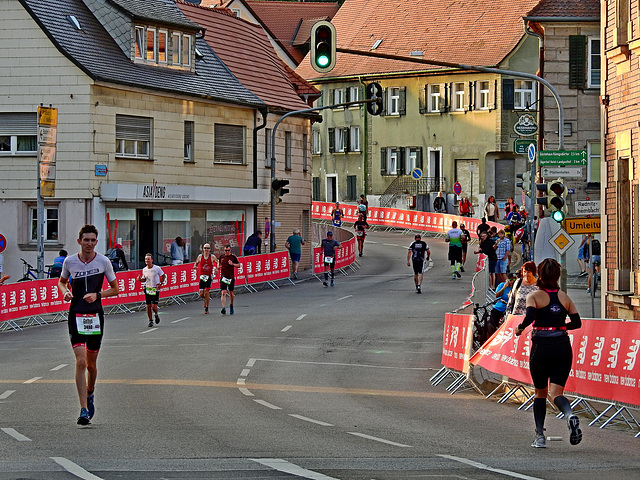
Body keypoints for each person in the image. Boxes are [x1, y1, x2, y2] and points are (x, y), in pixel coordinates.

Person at [516, 258, 582, 449]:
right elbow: (577, 323)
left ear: (539, 275)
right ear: (557, 276)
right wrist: (561, 325)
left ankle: (540, 436)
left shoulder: (535, 296)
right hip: (562, 346)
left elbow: (530, 317)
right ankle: (569, 414)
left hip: (541, 347)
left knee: (540, 393)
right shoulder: (564, 297)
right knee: (556, 392)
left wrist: (520, 328)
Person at [58, 224, 119, 425]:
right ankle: (83, 409)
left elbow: (115, 289)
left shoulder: (103, 261)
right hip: (76, 315)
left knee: (91, 365)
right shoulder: (70, 261)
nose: (89, 244)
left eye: (93, 240)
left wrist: (97, 294)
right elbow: (61, 281)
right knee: (81, 362)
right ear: (79, 241)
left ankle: (90, 393)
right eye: (86, 240)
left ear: (96, 242)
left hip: (94, 316)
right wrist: (65, 291)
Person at [138, 253, 166, 327]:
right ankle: (150, 320)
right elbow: (144, 279)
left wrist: (160, 283)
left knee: (154, 306)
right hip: (148, 288)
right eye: (146, 259)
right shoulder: (144, 269)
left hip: (155, 288)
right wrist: (140, 279)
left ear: (152, 260)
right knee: (148, 306)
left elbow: (163, 275)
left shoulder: (157, 268)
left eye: (148, 259)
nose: (147, 261)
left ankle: (156, 314)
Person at [488, 273, 517, 338]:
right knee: (493, 320)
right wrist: (504, 288)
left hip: (510, 308)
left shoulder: (517, 287)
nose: (512, 281)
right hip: (500, 306)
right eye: (510, 279)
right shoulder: (502, 285)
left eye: (514, 280)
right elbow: (496, 295)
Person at [193, 243, 218, 313]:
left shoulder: (212, 257)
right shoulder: (200, 256)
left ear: (210, 249)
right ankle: (206, 299)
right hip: (202, 276)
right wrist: (195, 266)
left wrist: (217, 269)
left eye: (207, 248)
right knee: (201, 294)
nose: (206, 250)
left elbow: (217, 262)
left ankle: (206, 308)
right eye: (205, 248)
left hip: (209, 276)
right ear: (202, 249)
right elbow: (196, 263)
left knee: (206, 291)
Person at [218, 244, 240, 315]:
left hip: (231, 277)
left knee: (231, 293)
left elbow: (239, 265)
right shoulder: (221, 257)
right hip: (223, 277)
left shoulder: (233, 257)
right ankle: (223, 308)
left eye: (228, 250)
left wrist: (232, 264)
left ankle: (231, 304)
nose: (227, 252)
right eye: (225, 250)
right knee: (223, 292)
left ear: (230, 250)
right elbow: (219, 265)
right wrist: (218, 268)